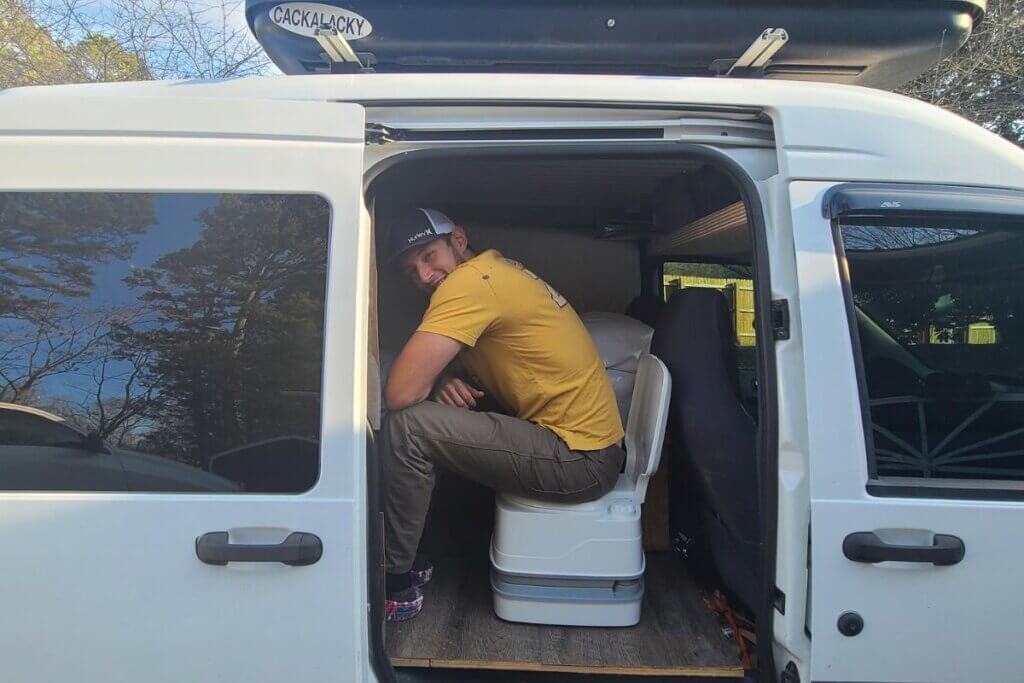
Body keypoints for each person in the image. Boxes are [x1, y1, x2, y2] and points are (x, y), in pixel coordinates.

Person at [382, 207, 625, 621]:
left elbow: (401, 392)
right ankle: (418, 551)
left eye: (428, 255)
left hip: (579, 458)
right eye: (411, 270)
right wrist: (440, 382)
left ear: (458, 240)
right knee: (435, 409)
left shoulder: (468, 285)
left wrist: (426, 384)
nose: (423, 276)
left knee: (408, 427)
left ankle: (392, 579)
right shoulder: (493, 269)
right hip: (591, 447)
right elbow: (453, 364)